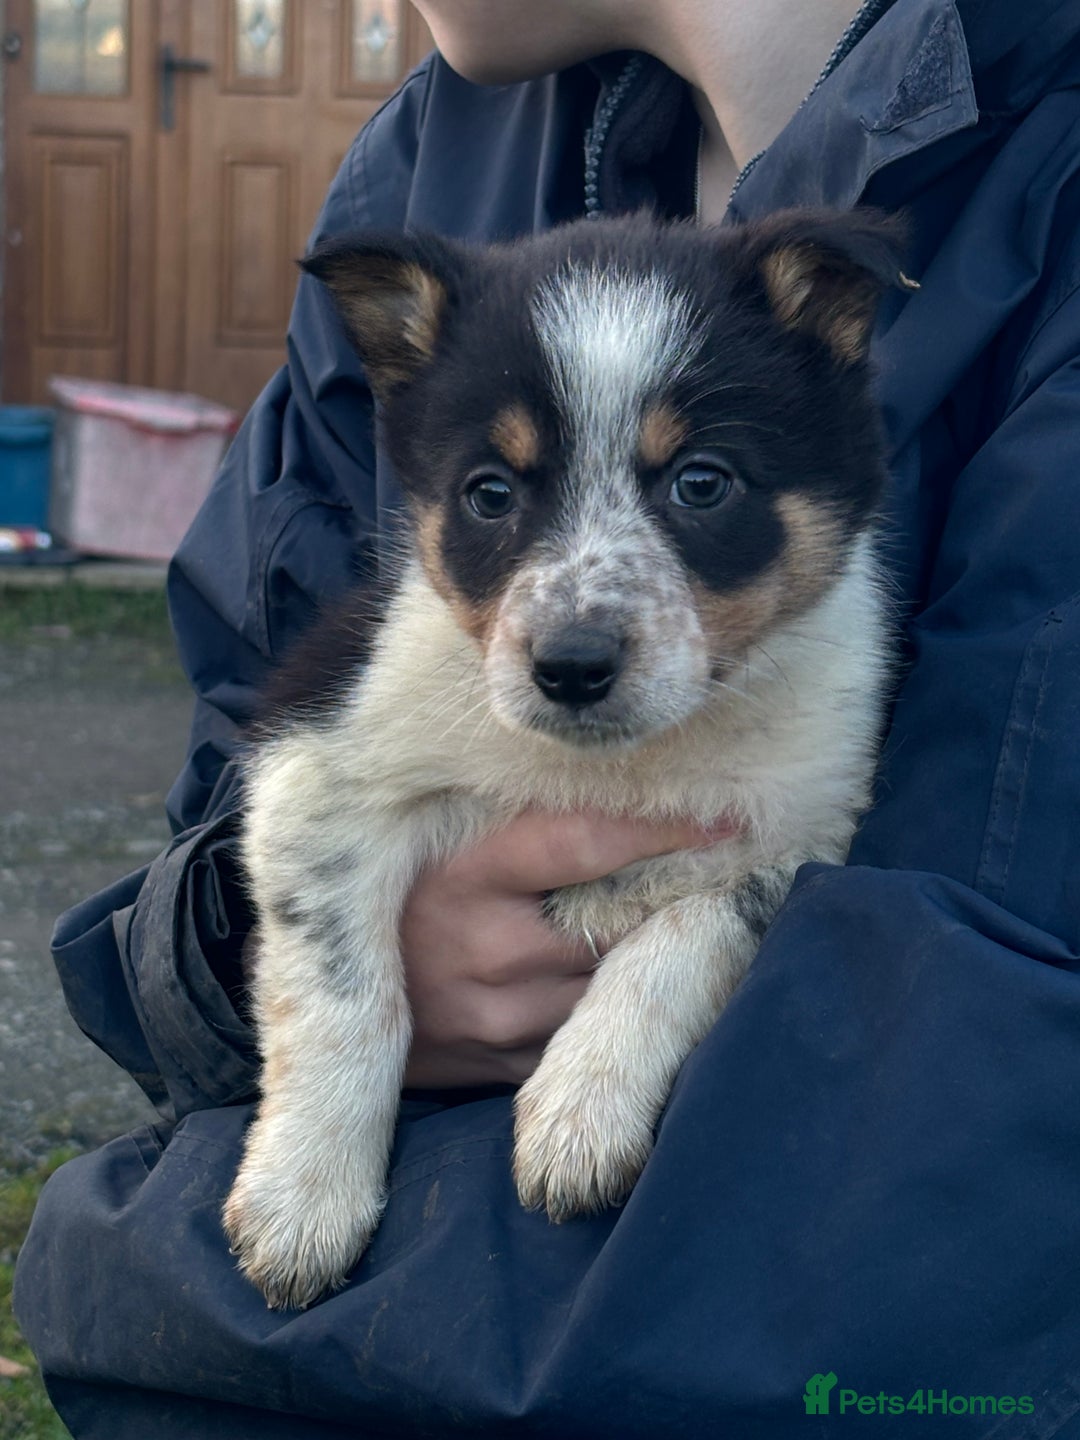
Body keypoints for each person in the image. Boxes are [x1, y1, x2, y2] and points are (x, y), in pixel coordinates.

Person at [15, 0, 1080, 1434]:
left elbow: (854, 924)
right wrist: (326, 1037)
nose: (575, 614)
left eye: (694, 487)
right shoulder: (430, 164)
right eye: (498, 498)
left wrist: (653, 980)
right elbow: (272, 793)